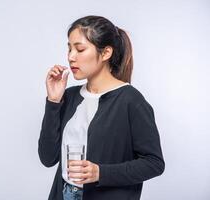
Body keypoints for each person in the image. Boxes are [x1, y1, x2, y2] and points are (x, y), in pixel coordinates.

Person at [38, 15, 165, 200]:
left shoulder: (131, 101)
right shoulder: (70, 96)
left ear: (105, 53)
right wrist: (53, 101)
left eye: (80, 49)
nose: (71, 57)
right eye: (69, 48)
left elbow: (154, 163)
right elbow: (47, 158)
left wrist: (100, 173)